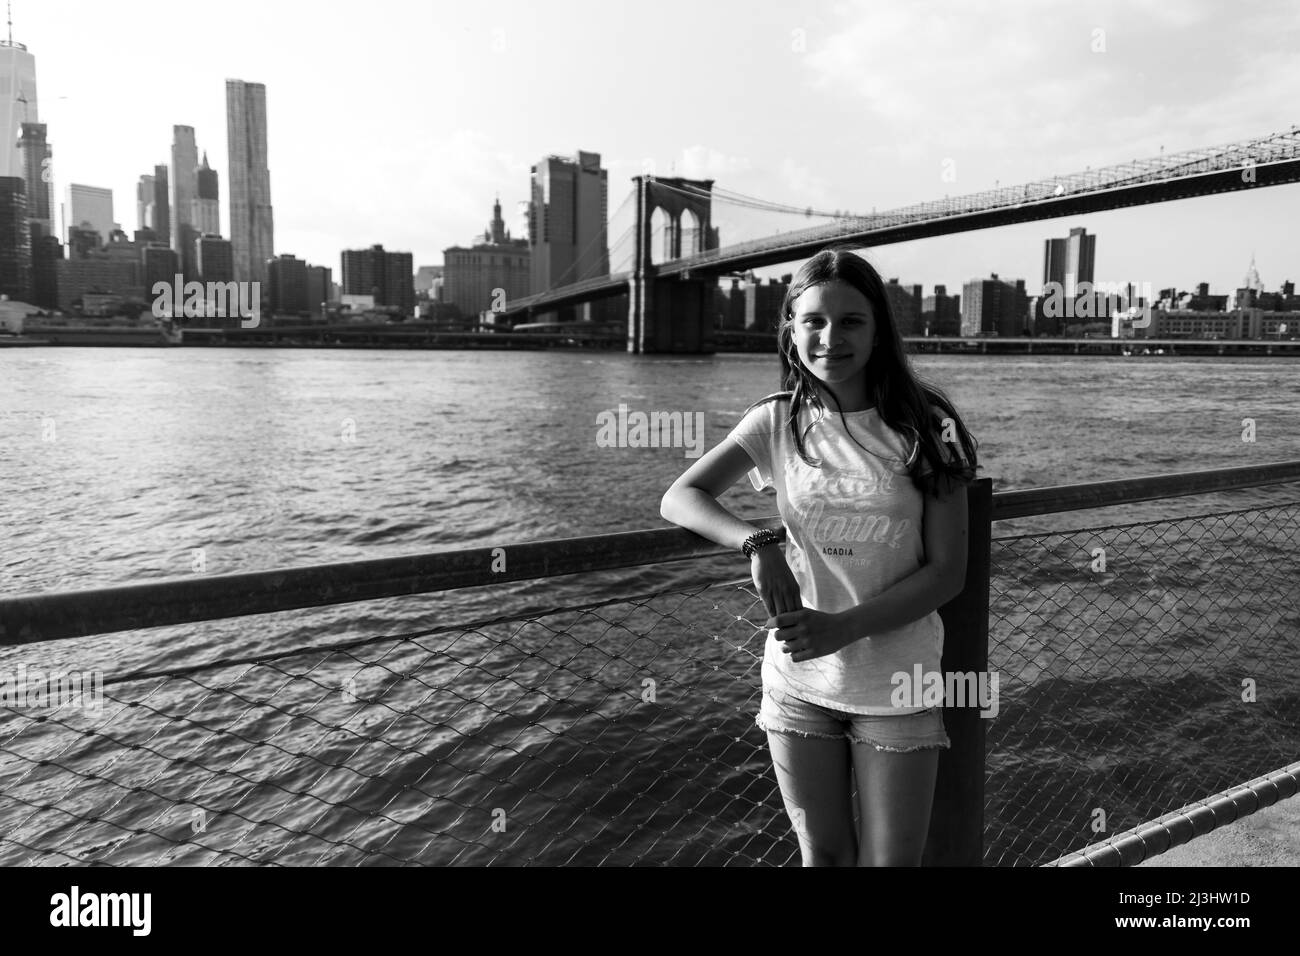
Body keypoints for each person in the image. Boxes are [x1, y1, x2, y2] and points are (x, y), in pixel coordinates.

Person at [659, 245, 978, 866]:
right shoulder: (776, 422)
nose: (831, 337)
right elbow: (681, 496)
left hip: (897, 686)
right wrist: (757, 542)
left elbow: (948, 573)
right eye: (814, 321)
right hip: (797, 682)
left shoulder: (926, 425)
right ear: (791, 331)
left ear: (880, 329)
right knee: (823, 858)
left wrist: (844, 626)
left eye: (852, 320)